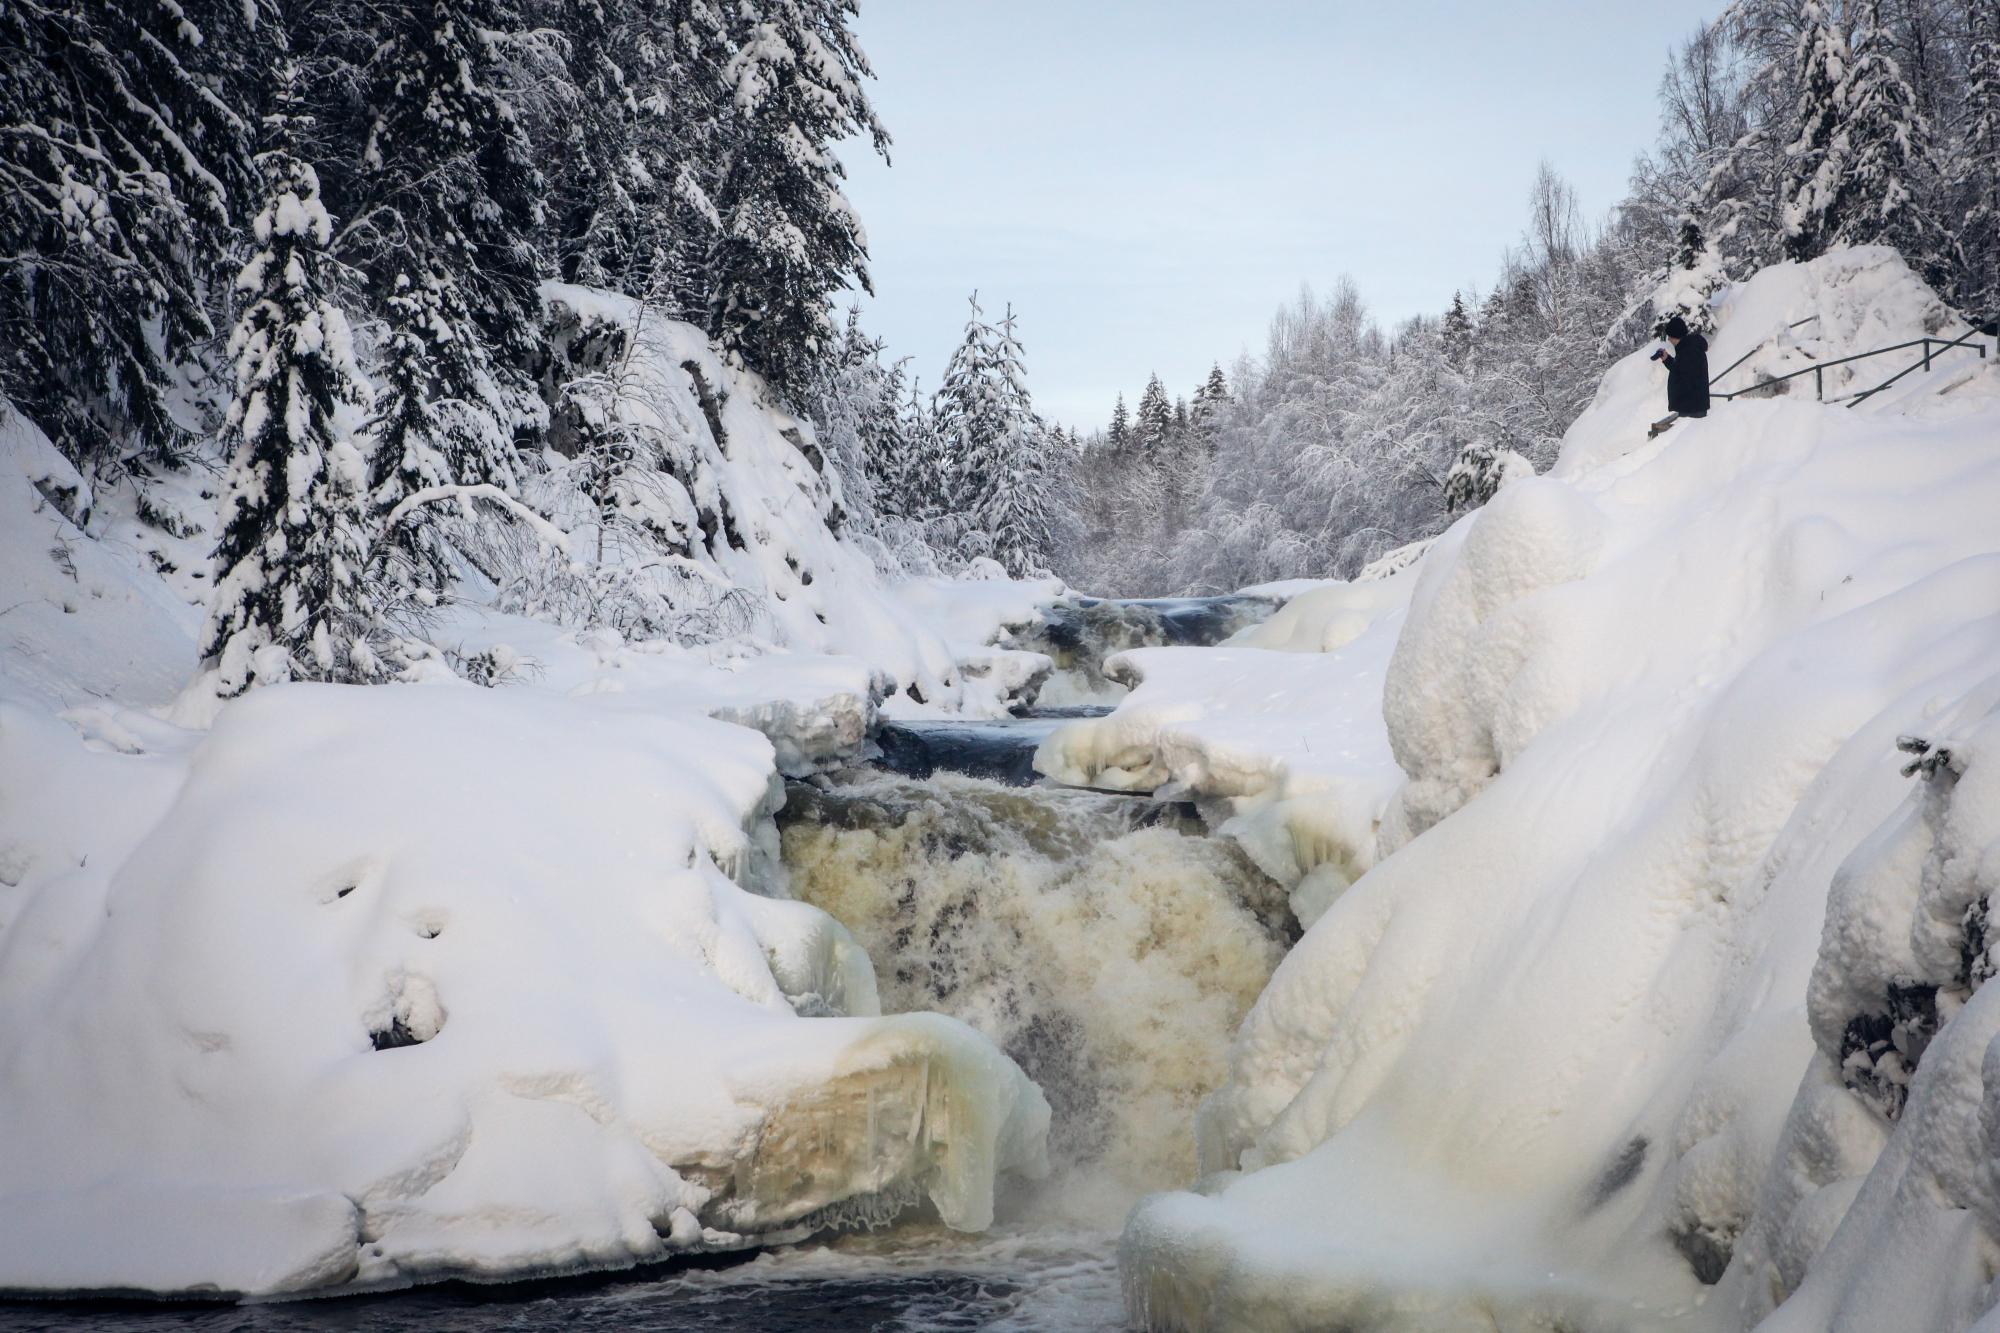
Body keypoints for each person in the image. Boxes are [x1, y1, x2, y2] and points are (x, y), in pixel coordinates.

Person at [1652, 314, 1710, 421]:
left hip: (1692, 409)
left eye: (1670, 336)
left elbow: (1686, 377)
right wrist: (1667, 359)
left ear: (1676, 335)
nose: (1668, 339)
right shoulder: (1686, 349)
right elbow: (1681, 370)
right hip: (1690, 406)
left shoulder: (1690, 350)